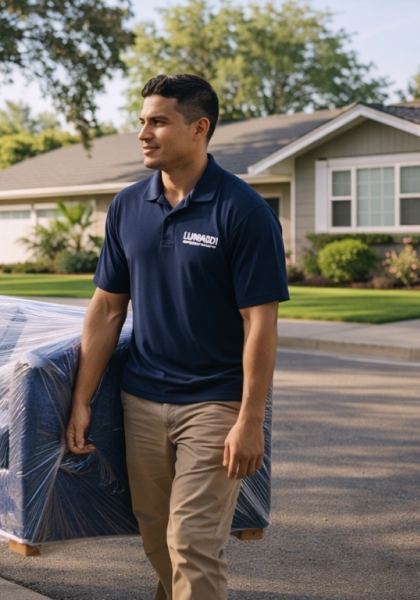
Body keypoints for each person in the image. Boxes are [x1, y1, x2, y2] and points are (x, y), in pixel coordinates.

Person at [65, 74, 288, 600]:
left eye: (158, 121)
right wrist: (81, 398)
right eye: (142, 121)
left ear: (199, 128)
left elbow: (261, 321)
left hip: (214, 404)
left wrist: (250, 420)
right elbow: (106, 309)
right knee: (156, 537)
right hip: (141, 398)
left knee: (192, 543)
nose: (144, 133)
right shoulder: (127, 206)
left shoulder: (244, 211)